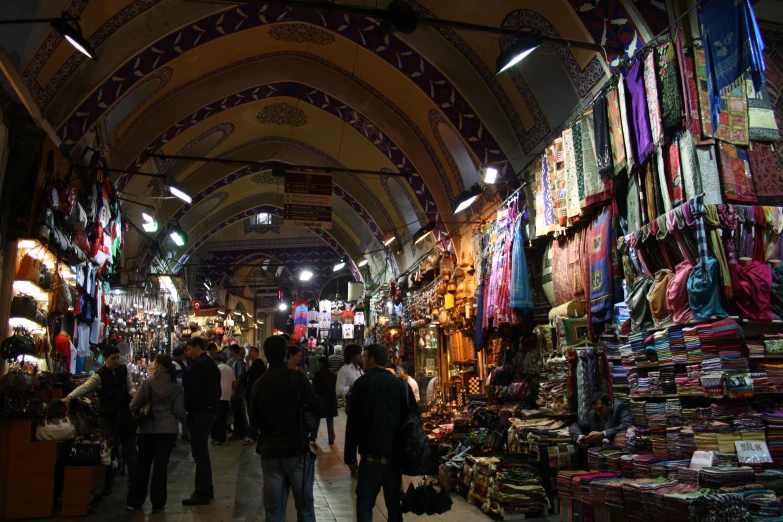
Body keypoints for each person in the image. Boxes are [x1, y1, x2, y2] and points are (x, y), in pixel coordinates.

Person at [250, 335, 323, 522]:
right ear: (284, 354)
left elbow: (254, 423)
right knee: (305, 508)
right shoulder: (297, 378)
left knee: (274, 510)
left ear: (266, 355)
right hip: (296, 449)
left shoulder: (259, 383)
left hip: (270, 452)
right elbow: (317, 407)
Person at [345, 344, 418, 522]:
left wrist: (350, 456)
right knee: (393, 503)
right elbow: (413, 421)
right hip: (394, 458)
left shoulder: (361, 384)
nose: (363, 360)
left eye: (365, 356)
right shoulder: (401, 385)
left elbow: (353, 422)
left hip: (371, 456)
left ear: (371, 359)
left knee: (365, 500)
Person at [64, 344, 137, 501]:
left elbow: (130, 387)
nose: (117, 361)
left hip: (124, 415)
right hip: (107, 416)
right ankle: (107, 483)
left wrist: (134, 394)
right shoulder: (99, 375)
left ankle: (134, 482)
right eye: (113, 359)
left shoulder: (124, 370)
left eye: (118, 358)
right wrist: (69, 397)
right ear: (105, 359)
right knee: (108, 450)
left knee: (130, 449)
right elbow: (85, 387)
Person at [128, 354, 187, 513]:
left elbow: (134, 405)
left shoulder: (148, 383)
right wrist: (187, 426)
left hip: (147, 430)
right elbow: (179, 411)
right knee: (161, 467)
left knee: (143, 465)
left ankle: (136, 501)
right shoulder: (176, 386)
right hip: (168, 431)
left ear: (159, 365)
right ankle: (158, 503)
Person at [182, 337, 222, 505]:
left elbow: (192, 393)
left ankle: (202, 493)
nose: (187, 353)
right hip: (210, 411)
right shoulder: (212, 364)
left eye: (189, 349)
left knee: (200, 454)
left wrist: (188, 410)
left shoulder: (198, 366)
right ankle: (206, 490)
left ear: (197, 348)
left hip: (200, 413)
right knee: (202, 452)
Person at [570, 392, 633, 468]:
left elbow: (627, 425)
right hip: (600, 455)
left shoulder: (620, 408)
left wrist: (603, 434)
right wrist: (579, 436)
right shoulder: (594, 414)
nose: (598, 413)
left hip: (618, 454)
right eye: (596, 409)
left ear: (609, 405)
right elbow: (575, 425)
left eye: (601, 408)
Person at [312, 357, 337, 446]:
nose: (318, 365)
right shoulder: (332, 374)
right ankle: (331, 438)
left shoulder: (318, 374)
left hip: (321, 399)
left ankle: (313, 437)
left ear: (322, 363)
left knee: (317, 419)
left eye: (319, 363)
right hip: (330, 399)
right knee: (330, 420)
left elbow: (315, 388)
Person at [244, 346, 266, 443]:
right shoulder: (253, 364)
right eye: (249, 351)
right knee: (251, 412)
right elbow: (247, 374)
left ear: (257, 352)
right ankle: (254, 433)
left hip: (254, 392)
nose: (250, 353)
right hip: (251, 392)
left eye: (251, 351)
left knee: (253, 412)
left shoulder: (259, 363)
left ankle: (252, 434)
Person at [212, 357, 235, 445]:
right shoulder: (230, 369)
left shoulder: (217, 368)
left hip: (218, 395)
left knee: (217, 418)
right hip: (227, 396)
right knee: (223, 418)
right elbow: (234, 383)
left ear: (217, 361)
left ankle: (217, 438)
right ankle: (222, 437)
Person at [228, 344, 247, 441]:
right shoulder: (235, 362)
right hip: (236, 392)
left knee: (238, 413)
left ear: (233, 351)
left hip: (238, 393)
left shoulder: (239, 363)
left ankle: (239, 432)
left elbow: (240, 376)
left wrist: (235, 388)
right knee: (237, 413)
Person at [171, 346, 189, 441]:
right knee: (181, 414)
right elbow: (179, 382)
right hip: (178, 394)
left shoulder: (173, 364)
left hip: (174, 394)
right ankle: (185, 433)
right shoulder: (177, 365)